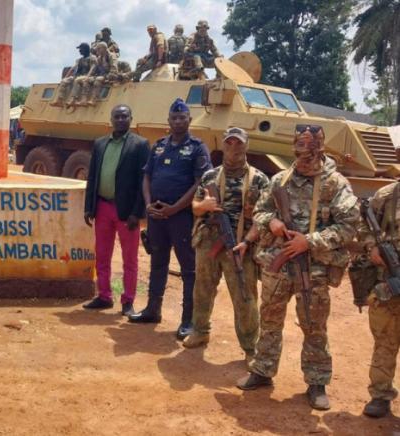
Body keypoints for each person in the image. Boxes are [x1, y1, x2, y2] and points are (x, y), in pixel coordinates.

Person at [236, 125, 359, 411]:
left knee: (314, 326)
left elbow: (349, 225)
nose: (304, 158)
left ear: (320, 150)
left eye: (310, 151)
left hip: (313, 267)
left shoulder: (335, 183)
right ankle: (262, 370)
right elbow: (260, 210)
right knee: (269, 320)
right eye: (299, 150)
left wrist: (310, 241)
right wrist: (272, 223)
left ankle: (317, 382)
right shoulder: (280, 179)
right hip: (277, 265)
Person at [129, 98, 211, 340]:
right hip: (156, 216)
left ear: (189, 120)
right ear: (169, 121)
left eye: (182, 118)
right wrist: (147, 205)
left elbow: (201, 183)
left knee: (189, 269)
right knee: (157, 262)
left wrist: (175, 208)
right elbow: (147, 176)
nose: (178, 121)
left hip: (182, 217)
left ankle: (188, 321)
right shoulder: (160, 145)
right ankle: (152, 310)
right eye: (174, 118)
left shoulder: (197, 147)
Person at [184, 128, 268, 365]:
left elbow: (264, 217)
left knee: (244, 295)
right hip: (208, 241)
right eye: (229, 143)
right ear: (223, 145)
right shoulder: (211, 176)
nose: (233, 148)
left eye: (238, 143)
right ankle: (200, 331)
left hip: (240, 244)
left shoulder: (259, 179)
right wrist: (205, 205)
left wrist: (247, 241)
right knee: (202, 288)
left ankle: (251, 346)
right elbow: (195, 206)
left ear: (246, 146)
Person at [82, 105, 149, 316]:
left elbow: (143, 182)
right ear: (111, 119)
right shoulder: (100, 144)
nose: (120, 119)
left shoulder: (140, 145)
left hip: (127, 212)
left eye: (124, 116)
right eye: (117, 116)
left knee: (130, 259)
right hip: (102, 207)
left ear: (131, 118)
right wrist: (88, 207)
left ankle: (128, 301)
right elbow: (92, 176)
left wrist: (137, 214)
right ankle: (104, 296)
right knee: (102, 255)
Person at [352, 180, 400, 418]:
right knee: (385, 341)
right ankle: (380, 395)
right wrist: (372, 246)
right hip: (389, 285)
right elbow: (363, 225)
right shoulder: (387, 195)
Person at [51, 43, 96, 107]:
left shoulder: (92, 58)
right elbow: (73, 69)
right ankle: (59, 100)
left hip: (89, 76)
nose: (79, 51)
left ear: (85, 49)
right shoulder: (79, 60)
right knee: (64, 81)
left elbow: (93, 68)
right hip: (78, 76)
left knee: (77, 80)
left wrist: (87, 77)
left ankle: (73, 99)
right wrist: (65, 77)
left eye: (81, 49)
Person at [83, 42, 118, 106]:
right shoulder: (99, 58)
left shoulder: (111, 56)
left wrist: (107, 77)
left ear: (103, 48)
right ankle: (84, 99)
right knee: (86, 80)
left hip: (111, 75)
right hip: (102, 75)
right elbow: (96, 70)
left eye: (98, 49)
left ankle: (94, 99)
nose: (97, 50)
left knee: (98, 80)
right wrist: (89, 76)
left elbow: (114, 69)